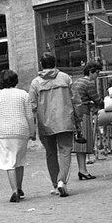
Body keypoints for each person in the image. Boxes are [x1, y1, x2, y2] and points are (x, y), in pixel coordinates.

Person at [29, 51, 76, 197]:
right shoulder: (65, 78)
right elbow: (76, 100)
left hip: (45, 123)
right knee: (65, 151)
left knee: (50, 153)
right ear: (55, 63)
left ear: (41, 65)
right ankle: (62, 181)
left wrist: (33, 127)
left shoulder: (36, 82)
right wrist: (78, 119)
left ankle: (55, 185)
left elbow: (32, 106)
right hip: (65, 120)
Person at [0, 69, 36, 202]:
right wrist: (32, 132)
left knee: (9, 162)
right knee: (19, 160)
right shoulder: (23, 94)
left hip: (4, 132)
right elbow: (30, 116)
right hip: (21, 131)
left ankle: (14, 192)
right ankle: (19, 188)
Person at [70, 60, 104, 180]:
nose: (97, 76)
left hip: (76, 114)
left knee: (80, 145)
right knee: (84, 143)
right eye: (97, 73)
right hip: (84, 113)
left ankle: (82, 169)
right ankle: (83, 170)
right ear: (91, 72)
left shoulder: (77, 81)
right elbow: (97, 100)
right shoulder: (88, 83)